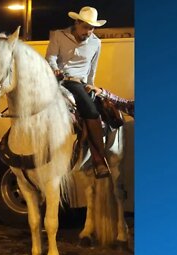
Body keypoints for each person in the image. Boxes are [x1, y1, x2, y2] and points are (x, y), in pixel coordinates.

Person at [46, 6, 110, 178]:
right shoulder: (59, 35)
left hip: (77, 83)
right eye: (86, 27)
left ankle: (99, 159)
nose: (89, 32)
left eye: (92, 28)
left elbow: (92, 69)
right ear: (77, 22)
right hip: (56, 80)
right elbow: (51, 57)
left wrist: (91, 86)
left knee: (92, 111)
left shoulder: (96, 43)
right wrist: (54, 69)